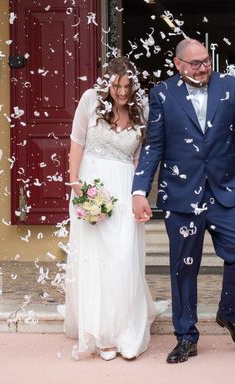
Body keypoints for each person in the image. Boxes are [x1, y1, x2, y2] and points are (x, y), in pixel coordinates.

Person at [132, 38, 235, 364]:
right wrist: (139, 191)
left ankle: (229, 314)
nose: (203, 67)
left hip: (226, 191)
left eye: (206, 61)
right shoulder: (162, 93)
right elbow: (154, 146)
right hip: (180, 194)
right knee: (183, 269)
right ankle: (186, 337)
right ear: (178, 64)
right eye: (195, 63)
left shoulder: (231, 86)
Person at [60, 57, 165, 361]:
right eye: (117, 86)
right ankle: (101, 333)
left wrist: (140, 193)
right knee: (95, 259)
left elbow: (140, 158)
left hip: (124, 186)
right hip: (91, 184)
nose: (122, 92)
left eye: (127, 86)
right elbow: (77, 142)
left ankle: (124, 329)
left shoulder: (140, 108)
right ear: (107, 83)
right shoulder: (90, 101)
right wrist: (75, 183)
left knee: (122, 256)